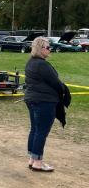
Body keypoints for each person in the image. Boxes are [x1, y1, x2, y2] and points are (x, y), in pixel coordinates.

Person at [24, 36, 67, 172]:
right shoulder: (42, 64)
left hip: (33, 100)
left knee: (35, 130)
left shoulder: (31, 62)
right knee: (41, 131)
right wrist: (64, 90)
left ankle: (32, 159)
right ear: (40, 49)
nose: (50, 49)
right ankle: (37, 162)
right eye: (48, 47)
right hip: (44, 101)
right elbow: (56, 83)